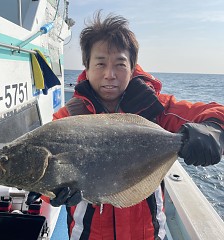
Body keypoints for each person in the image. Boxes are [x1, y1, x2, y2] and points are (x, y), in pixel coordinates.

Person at [28, 10, 224, 240]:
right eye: (100, 64)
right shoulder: (67, 119)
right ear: (87, 67)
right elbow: (45, 181)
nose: (109, 74)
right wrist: (53, 192)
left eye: (120, 64)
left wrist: (213, 130)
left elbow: (216, 113)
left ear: (132, 68)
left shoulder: (155, 109)